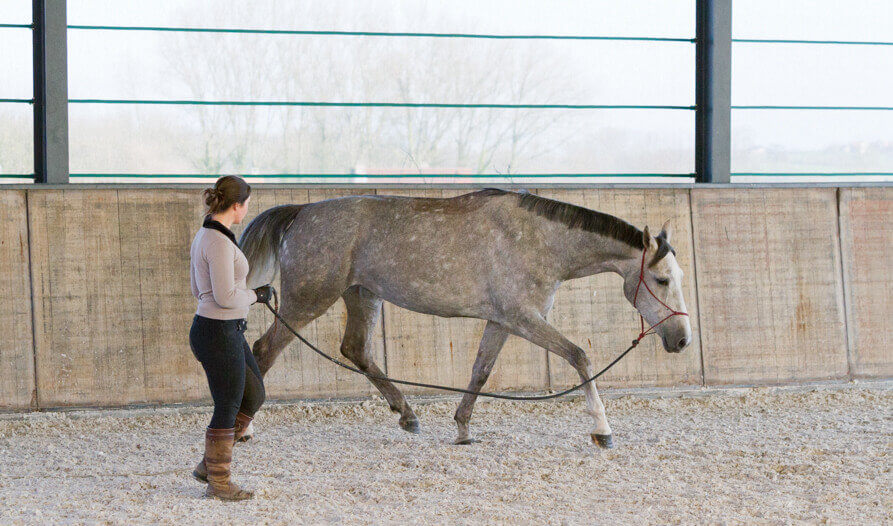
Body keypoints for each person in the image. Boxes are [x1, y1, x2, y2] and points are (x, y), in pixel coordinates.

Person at [187, 175, 274, 501]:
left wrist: (243, 298)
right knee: (228, 405)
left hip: (225, 329)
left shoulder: (208, 235)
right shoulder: (217, 242)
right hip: (218, 331)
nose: (247, 210)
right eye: (247, 204)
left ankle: (209, 466)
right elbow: (224, 297)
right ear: (236, 205)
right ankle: (219, 481)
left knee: (254, 396)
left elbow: (199, 290)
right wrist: (254, 296)